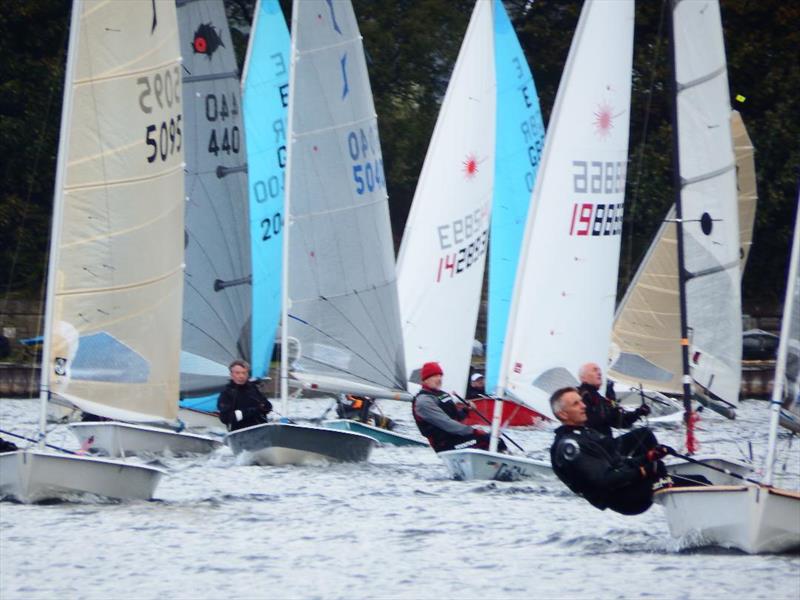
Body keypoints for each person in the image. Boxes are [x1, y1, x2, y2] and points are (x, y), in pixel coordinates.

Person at [549, 387, 671, 515]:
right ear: (563, 414)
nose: (584, 406)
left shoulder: (585, 434)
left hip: (627, 487)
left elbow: (617, 462)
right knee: (659, 470)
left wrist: (648, 457)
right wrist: (642, 471)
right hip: (623, 498)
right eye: (576, 404)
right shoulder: (570, 446)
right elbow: (605, 480)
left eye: (581, 401)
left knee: (655, 460)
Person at [412, 361, 503, 453]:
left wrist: (465, 410)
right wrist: (473, 431)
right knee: (487, 441)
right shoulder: (423, 401)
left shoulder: (443, 394)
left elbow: (455, 417)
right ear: (425, 379)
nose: (439, 379)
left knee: (496, 441)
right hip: (445, 446)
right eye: (435, 376)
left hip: (457, 438)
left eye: (440, 376)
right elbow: (446, 423)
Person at [577, 362, 649, 437]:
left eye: (599, 371)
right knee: (646, 434)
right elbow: (595, 419)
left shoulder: (599, 398)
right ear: (583, 377)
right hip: (592, 444)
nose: (599, 373)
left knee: (644, 435)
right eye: (594, 370)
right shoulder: (580, 396)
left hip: (605, 444)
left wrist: (639, 412)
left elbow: (618, 421)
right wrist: (611, 403)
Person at [217, 360, 273, 432]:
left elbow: (267, 406)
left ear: (248, 374)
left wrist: (265, 406)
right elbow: (225, 418)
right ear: (231, 375)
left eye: (244, 373)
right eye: (237, 373)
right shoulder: (226, 393)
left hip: (261, 432)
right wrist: (251, 411)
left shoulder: (253, 388)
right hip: (240, 434)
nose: (241, 376)